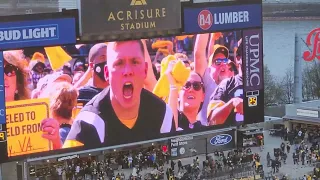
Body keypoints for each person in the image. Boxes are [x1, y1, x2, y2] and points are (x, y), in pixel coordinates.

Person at [64, 40, 174, 148]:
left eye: (134, 62)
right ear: (107, 73)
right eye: (119, 63)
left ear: (145, 70)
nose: (127, 71)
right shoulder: (87, 123)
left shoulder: (163, 114)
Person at [207, 40, 243, 126]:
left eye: (225, 61)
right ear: (238, 58)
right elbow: (212, 121)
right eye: (218, 62)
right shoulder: (226, 84)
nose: (223, 64)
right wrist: (231, 103)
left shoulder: (261, 81)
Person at [166, 60, 205, 131]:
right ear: (178, 94)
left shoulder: (207, 132)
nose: (191, 89)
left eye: (197, 85)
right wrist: (173, 86)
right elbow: (169, 126)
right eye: (186, 85)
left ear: (203, 96)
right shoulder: (166, 119)